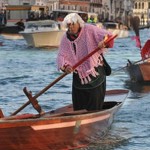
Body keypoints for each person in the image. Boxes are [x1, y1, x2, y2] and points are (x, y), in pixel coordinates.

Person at [57, 13, 114, 111]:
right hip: (78, 76)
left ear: (79, 23)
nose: (71, 27)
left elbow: (108, 36)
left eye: (73, 24)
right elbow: (61, 56)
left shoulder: (89, 29)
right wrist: (66, 67)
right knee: (79, 105)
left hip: (95, 71)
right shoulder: (65, 38)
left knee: (94, 105)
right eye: (68, 25)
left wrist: (103, 43)